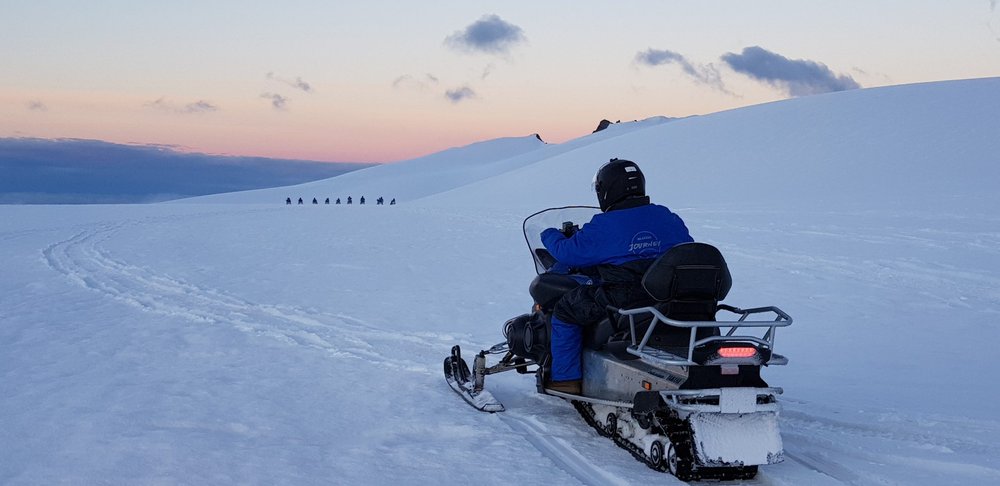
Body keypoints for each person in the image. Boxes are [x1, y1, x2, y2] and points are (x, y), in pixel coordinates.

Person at [540, 158, 693, 394]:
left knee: (565, 311)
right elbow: (686, 248)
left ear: (606, 190)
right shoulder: (666, 216)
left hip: (623, 298)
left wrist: (549, 234)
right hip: (669, 297)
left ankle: (566, 381)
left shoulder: (606, 224)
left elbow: (568, 254)